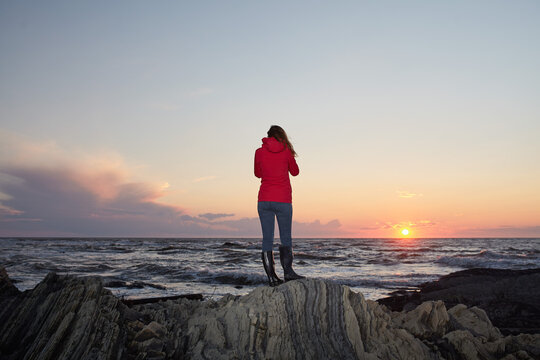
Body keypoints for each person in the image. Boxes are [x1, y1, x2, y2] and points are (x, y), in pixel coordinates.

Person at [254, 125, 304, 286]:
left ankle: (271, 278)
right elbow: (295, 172)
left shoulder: (259, 152)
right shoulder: (286, 151)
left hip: (264, 200)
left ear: (268, 136)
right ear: (282, 136)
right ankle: (288, 273)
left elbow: (257, 174)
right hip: (283, 200)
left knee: (267, 239)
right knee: (285, 237)